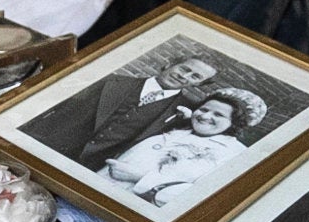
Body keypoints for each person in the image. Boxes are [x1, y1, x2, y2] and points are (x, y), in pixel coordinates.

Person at [104, 88, 265, 205]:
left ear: (235, 124)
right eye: (204, 109)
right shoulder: (177, 129)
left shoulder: (235, 155)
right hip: (100, 195)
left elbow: (200, 200)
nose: (205, 116)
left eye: (218, 115)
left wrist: (141, 178)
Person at [59, 53, 221, 167]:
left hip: (94, 170)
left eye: (195, 77)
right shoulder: (112, 81)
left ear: (198, 85)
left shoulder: (187, 115)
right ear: (170, 64)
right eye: (184, 69)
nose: (184, 77)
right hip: (56, 149)